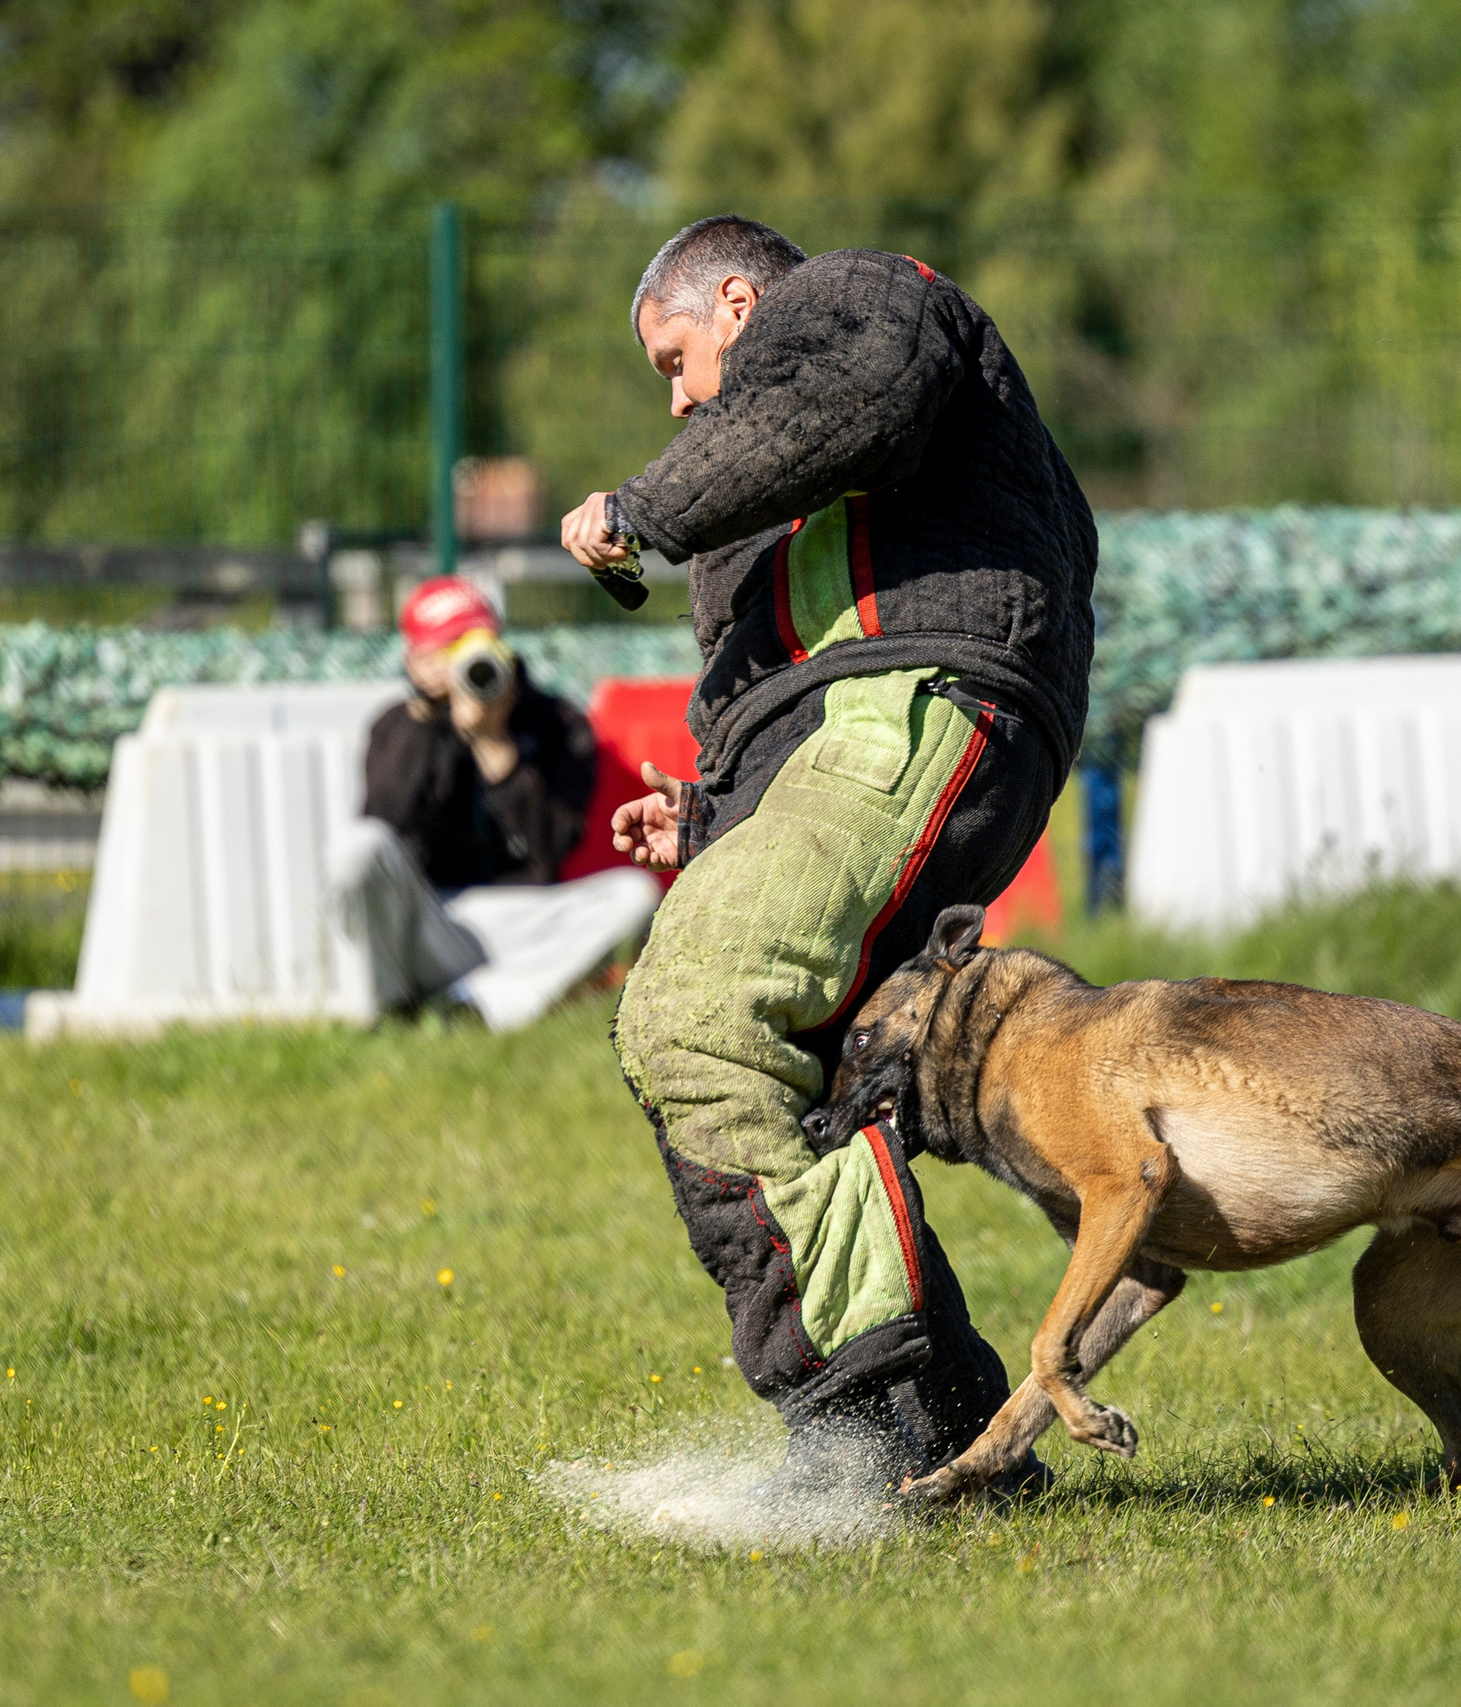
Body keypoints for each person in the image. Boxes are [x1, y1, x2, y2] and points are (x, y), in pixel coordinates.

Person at [561, 216, 1097, 1497]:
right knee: (800, 1084)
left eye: (674, 358)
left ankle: (864, 1429)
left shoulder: (858, 300)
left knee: (698, 1017)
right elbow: (788, 686)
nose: (678, 396)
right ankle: (962, 1444)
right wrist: (709, 824)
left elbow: (850, 399)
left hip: (915, 707)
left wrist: (642, 508)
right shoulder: (764, 487)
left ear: (737, 299)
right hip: (865, 739)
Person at [332, 576, 658, 1031]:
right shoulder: (398, 727)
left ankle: (478, 1009)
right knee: (357, 846)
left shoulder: (556, 722)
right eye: (449, 650)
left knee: (634, 896)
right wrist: (427, 718)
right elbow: (383, 831)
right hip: (433, 917)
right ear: (415, 661)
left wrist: (493, 744)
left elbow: (550, 845)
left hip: (525, 919)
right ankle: (381, 1012)